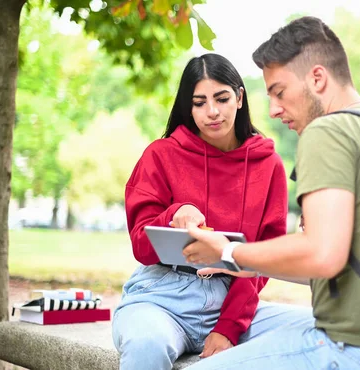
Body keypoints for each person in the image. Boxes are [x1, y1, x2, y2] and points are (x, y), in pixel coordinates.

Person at [182, 17, 360, 370]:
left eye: (279, 92)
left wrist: (228, 250)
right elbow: (338, 262)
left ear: (317, 78)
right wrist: (245, 263)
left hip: (355, 348)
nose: (272, 109)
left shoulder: (326, 134)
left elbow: (322, 255)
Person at [112, 53, 313, 370]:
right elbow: (142, 246)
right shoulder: (160, 155)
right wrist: (175, 214)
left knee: (319, 327)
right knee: (146, 344)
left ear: (240, 97)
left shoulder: (268, 165)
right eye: (199, 102)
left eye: (221, 98)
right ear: (188, 107)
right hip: (162, 297)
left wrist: (228, 328)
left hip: (231, 301)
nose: (212, 112)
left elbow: (263, 257)